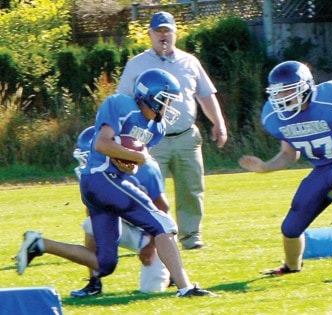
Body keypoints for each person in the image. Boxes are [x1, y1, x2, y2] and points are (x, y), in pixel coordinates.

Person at [17, 68, 215, 297]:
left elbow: (132, 163)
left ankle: (40, 244)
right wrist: (138, 158)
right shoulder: (121, 105)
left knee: (105, 264)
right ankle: (185, 288)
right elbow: (102, 144)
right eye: (165, 100)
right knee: (163, 224)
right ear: (149, 96)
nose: (168, 107)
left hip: (106, 184)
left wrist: (131, 163)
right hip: (101, 177)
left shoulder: (156, 128)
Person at [239, 60, 332, 277]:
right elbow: (288, 154)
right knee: (290, 227)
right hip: (323, 167)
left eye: (289, 91)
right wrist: (266, 167)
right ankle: (292, 266)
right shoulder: (276, 116)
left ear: (306, 88)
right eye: (278, 93)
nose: (282, 98)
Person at [117, 11, 228, 250]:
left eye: (167, 31)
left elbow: (205, 95)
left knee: (191, 189)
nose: (163, 36)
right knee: (148, 190)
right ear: (150, 34)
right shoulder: (137, 64)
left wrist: (218, 123)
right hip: (149, 139)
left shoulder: (190, 62)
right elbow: (122, 100)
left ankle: (191, 237)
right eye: (158, 32)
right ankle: (152, 237)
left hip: (186, 136)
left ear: (175, 33)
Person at [70, 126, 171, 297]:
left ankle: (170, 272)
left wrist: (152, 245)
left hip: (152, 230)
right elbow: (92, 212)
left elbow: (163, 210)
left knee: (151, 292)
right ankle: (94, 282)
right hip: (123, 223)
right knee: (91, 224)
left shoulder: (145, 169)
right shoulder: (94, 175)